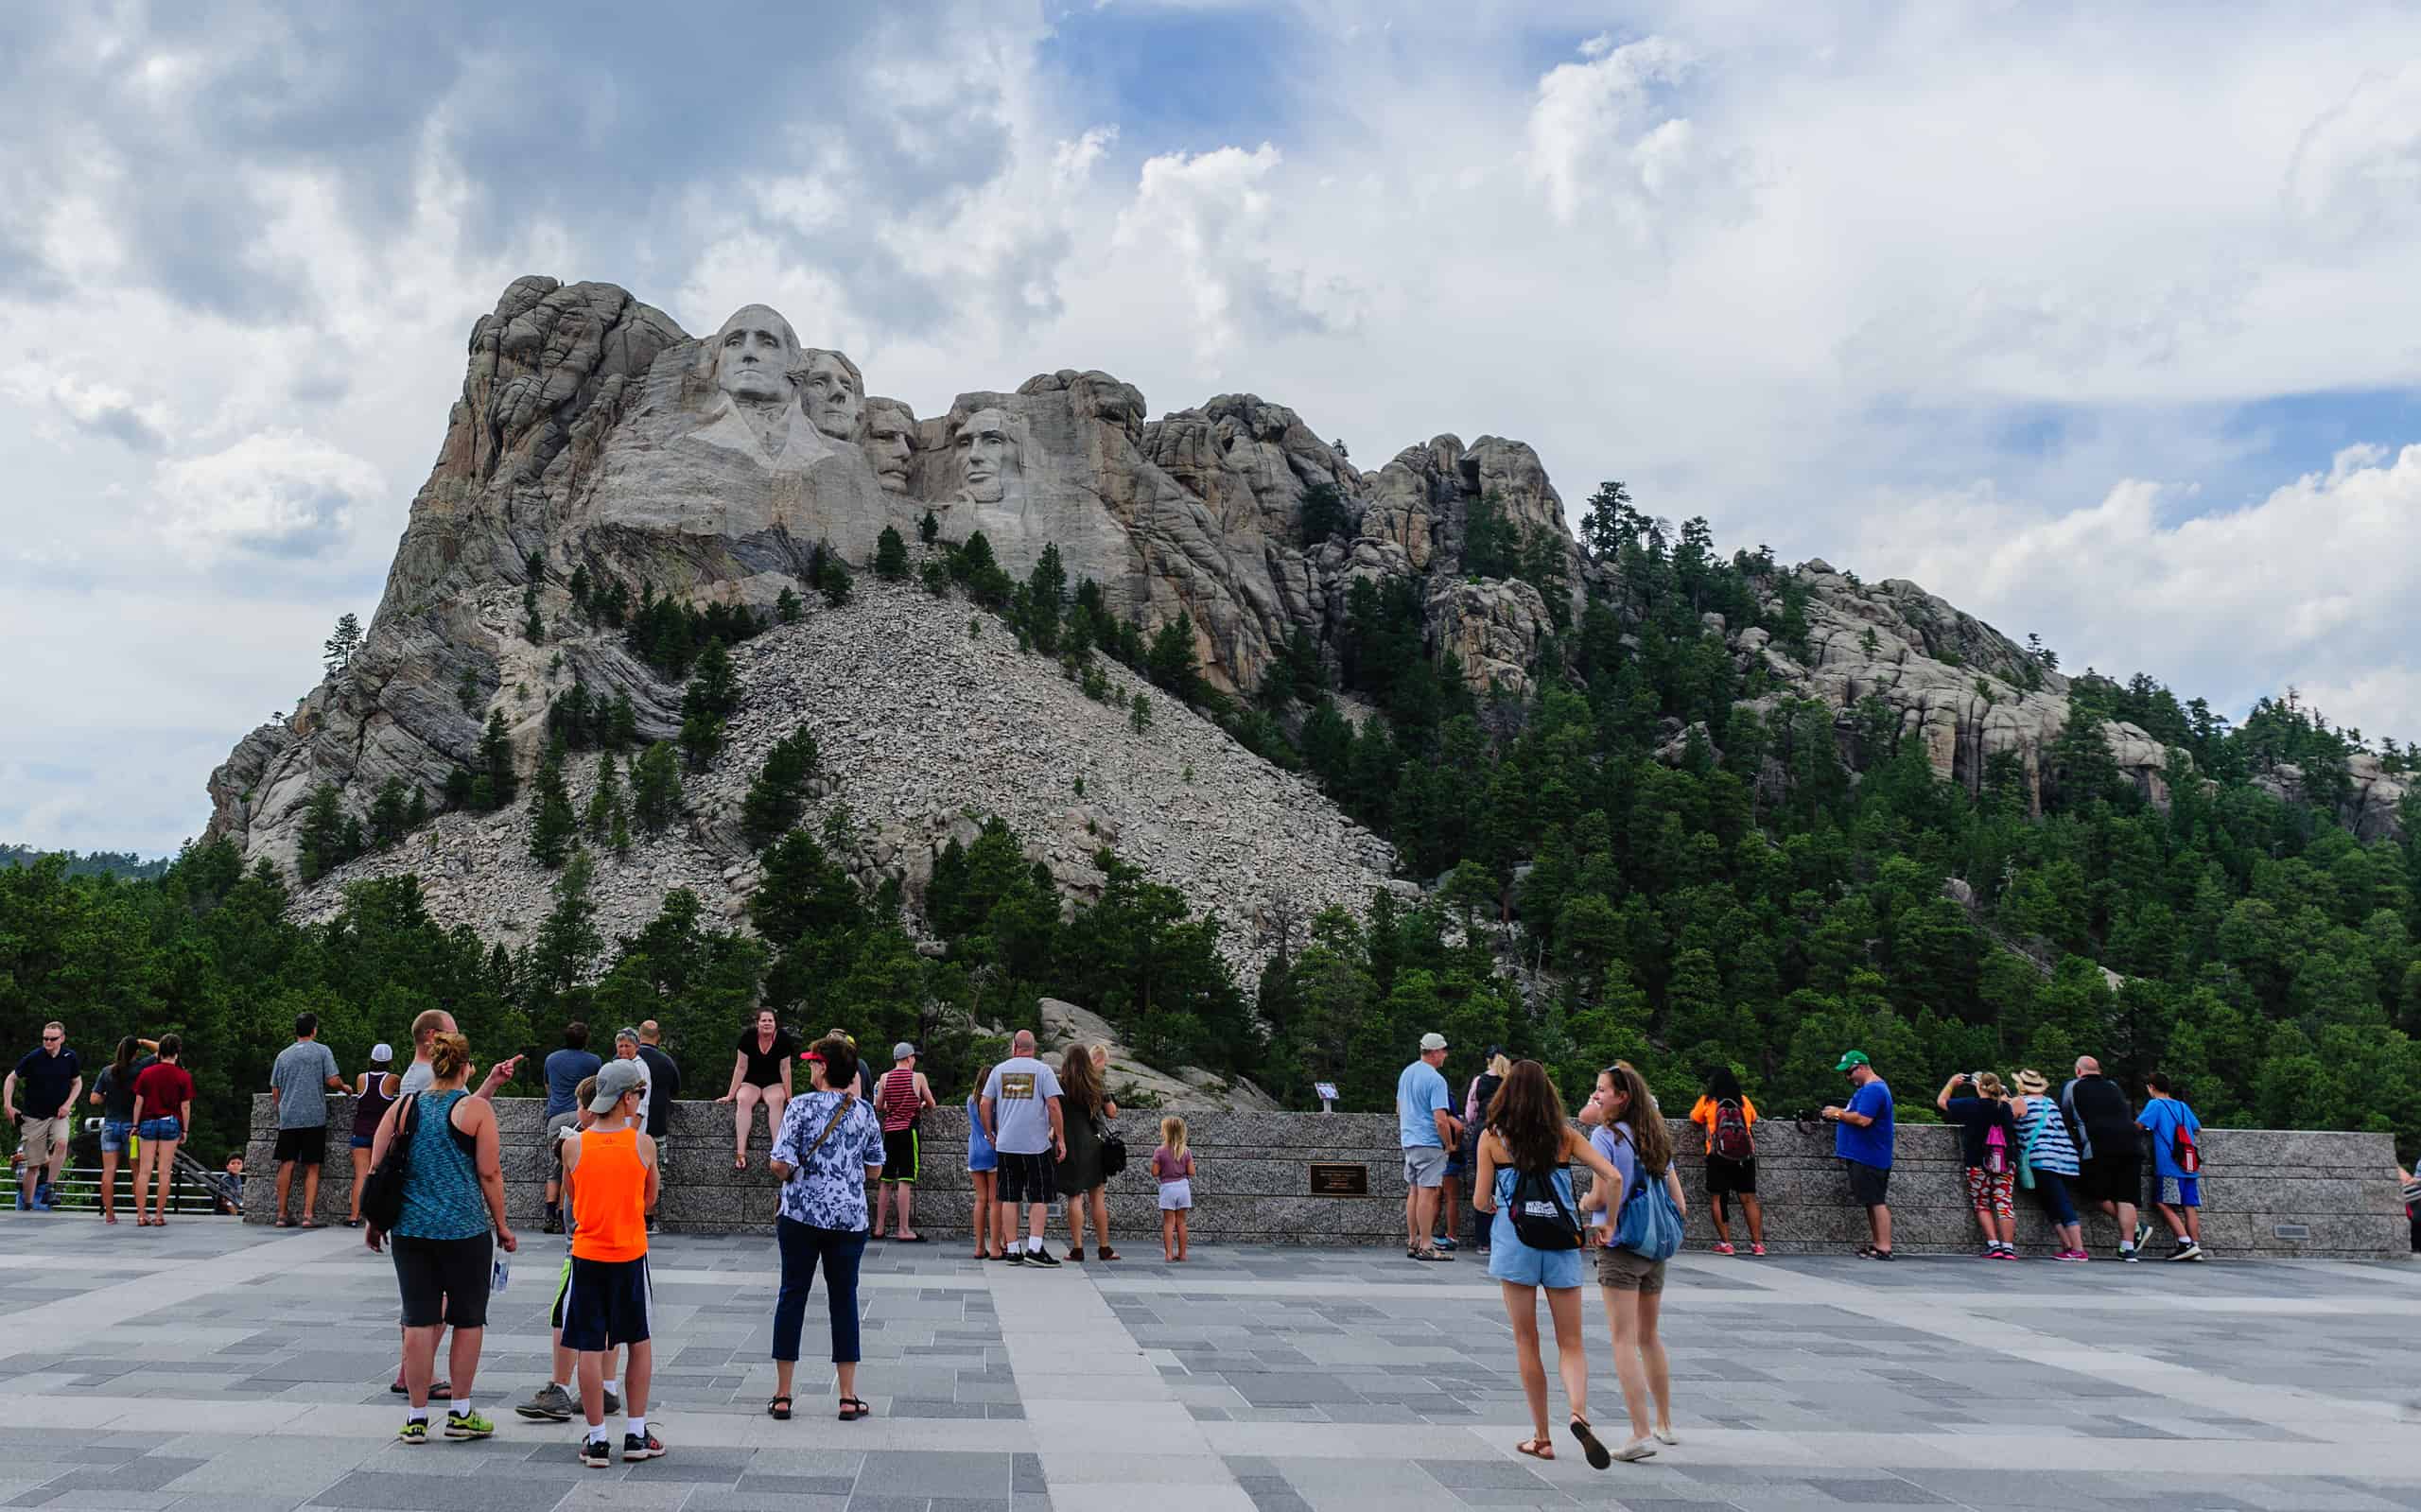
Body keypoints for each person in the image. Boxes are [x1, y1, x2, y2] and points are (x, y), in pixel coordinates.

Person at [368, 1031, 515, 1444]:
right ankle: (461, 1413)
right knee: (468, 1320)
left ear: (434, 1065)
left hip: (411, 1231)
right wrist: (502, 1226)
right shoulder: (476, 1111)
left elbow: (377, 1169)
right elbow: (489, 1173)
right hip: (465, 1230)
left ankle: (416, 1418)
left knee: (418, 1318)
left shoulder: (402, 1107)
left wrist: (374, 1222)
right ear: (467, 1068)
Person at [1473, 1059, 1623, 1469]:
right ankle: (1578, 1413)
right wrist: (1607, 1223)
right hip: (1559, 1242)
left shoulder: (1492, 1139)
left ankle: (1542, 1437)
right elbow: (1613, 1177)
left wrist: (1493, 1201)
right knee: (1571, 1342)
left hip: (1515, 1243)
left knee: (1527, 1340)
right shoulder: (1566, 1136)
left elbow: (1479, 1201)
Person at [768, 1035, 885, 1423]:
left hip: (800, 1216)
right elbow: (875, 1169)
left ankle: (783, 1394)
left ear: (821, 1067)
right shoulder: (865, 1111)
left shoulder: (800, 1106)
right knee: (844, 1300)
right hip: (848, 1220)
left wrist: (798, 1172)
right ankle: (848, 1397)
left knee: (792, 1296)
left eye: (812, 1063)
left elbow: (780, 1163)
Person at [560, 1059, 664, 1465]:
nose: (639, 1100)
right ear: (626, 1098)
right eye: (637, 1094)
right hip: (630, 1254)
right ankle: (636, 1434)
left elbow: (572, 1197)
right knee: (638, 1342)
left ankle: (597, 1437)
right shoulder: (643, 1143)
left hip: (588, 1255)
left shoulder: (574, 1145)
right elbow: (650, 1199)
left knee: (590, 1345)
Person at [1583, 1061, 1685, 1463]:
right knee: (1649, 1337)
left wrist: (1584, 1204)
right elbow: (1680, 1203)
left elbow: (1603, 1194)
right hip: (1655, 1246)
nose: (1596, 1095)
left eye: (1602, 1089)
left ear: (1621, 1097)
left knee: (1622, 1340)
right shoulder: (1654, 1135)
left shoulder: (1605, 1136)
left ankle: (1639, 1432)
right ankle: (1664, 1423)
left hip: (1621, 1244)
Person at [514, 1074, 626, 1427]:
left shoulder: (581, 1144)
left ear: (594, 1107)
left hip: (583, 1247)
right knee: (611, 1319)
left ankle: (560, 1387)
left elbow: (575, 1196)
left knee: (565, 1315)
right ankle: (607, 1388)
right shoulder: (632, 1142)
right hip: (620, 1247)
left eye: (580, 1105)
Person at [979, 1029, 1066, 1266]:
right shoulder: (1043, 1070)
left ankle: (1014, 1249)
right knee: (1039, 1196)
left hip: (1006, 1144)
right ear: (1033, 1048)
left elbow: (985, 1103)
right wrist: (1060, 1139)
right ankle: (1035, 1248)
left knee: (1009, 1196)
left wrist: (990, 1134)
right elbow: (1054, 1106)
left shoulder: (999, 1070)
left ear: (1014, 1047)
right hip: (1036, 1145)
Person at [2062, 1055, 2146, 1260]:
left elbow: (2065, 1117)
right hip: (2132, 1145)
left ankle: (2137, 1228)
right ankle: (2127, 1248)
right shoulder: (2114, 1086)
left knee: (2093, 1191)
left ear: (2078, 1071)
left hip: (2099, 1145)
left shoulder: (2073, 1087)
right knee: (2126, 1197)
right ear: (2099, 1070)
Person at [269, 1012, 345, 1228]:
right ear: (314, 1030)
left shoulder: (283, 1055)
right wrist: (344, 1087)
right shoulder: (322, 1051)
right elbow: (332, 1080)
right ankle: (308, 1215)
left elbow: (275, 1089)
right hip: (314, 1116)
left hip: (289, 1117)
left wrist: (282, 1109)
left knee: (287, 1164)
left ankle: (282, 1215)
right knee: (312, 1166)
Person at [1820, 1050, 1894, 1260]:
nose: (1848, 1077)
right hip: (1864, 1154)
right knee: (1870, 1200)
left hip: (1869, 1154)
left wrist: (1837, 1113)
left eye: (1849, 1072)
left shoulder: (1874, 1090)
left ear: (1861, 1067)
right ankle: (1878, 1243)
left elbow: (1864, 1119)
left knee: (1877, 1200)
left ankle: (1884, 1247)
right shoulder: (1870, 1089)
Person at [1937, 1072, 2018, 1259]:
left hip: (1977, 1161)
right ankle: (2008, 1248)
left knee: (1982, 1204)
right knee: (2004, 1203)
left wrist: (1951, 1083)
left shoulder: (1971, 1105)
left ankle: (1994, 1245)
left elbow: (1942, 1102)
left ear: (1978, 1086)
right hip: (2004, 1161)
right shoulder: (2005, 1107)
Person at [2011, 1070, 2088, 1260]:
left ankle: (2078, 1249)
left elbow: (2005, 1120)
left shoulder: (2020, 1102)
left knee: (2060, 1202)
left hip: (2043, 1158)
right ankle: (2068, 1246)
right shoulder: (2050, 1102)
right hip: (2066, 1158)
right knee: (2051, 1202)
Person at [1688, 1066, 1765, 1256]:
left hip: (1718, 1155)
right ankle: (1757, 1244)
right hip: (1744, 1156)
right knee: (1748, 1199)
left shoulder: (1708, 1101)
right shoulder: (1744, 1101)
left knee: (1719, 1198)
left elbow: (1694, 1118)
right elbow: (1754, 1119)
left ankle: (1726, 1244)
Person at [7, 1020, 82, 1211]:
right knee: (33, 1165)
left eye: (52, 1039)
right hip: (34, 1116)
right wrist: (8, 1104)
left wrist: (68, 1104)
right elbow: (11, 1078)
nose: (48, 1042)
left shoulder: (69, 1057)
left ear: (62, 1039)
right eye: (45, 1039)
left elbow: (77, 1083)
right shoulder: (34, 1057)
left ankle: (50, 1186)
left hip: (58, 1113)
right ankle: (29, 1205)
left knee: (62, 1142)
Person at [1054, 1043, 1120, 1261]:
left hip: (1070, 1144)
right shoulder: (1096, 1082)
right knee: (1097, 1197)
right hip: (1094, 1144)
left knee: (1074, 1196)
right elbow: (1112, 1113)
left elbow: (1051, 1110)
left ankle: (1078, 1249)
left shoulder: (1060, 1083)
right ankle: (1104, 1248)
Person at [1398, 1031, 1456, 1262]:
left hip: (1409, 1140)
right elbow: (1441, 1119)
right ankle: (1427, 1245)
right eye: (1443, 1051)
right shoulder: (1435, 1079)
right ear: (1434, 1052)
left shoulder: (1407, 1073)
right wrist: (1449, 1144)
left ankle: (1413, 1241)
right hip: (1428, 1141)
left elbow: (1399, 1107)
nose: (1445, 1055)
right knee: (1427, 1192)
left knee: (1413, 1190)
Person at [87, 1035, 158, 1225]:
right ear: (135, 1052)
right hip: (132, 1128)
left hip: (110, 1125)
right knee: (137, 1172)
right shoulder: (140, 1068)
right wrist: (143, 1041)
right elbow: (163, 1049)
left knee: (109, 1171)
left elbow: (94, 1098)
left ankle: (109, 1215)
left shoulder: (107, 1071)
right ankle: (141, 1214)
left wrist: (108, 1098)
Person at [2137, 1073, 2207, 1261]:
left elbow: (2139, 1125)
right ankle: (2196, 1246)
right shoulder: (2183, 1106)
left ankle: (2185, 1243)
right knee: (2189, 1206)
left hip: (2169, 1165)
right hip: (2189, 1164)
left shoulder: (2155, 1105)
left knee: (2163, 1202)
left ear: (2151, 1087)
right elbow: (2197, 1128)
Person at [871, 1043, 935, 1242]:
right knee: (905, 1179)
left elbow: (879, 1105)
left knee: (886, 1180)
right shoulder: (917, 1077)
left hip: (889, 1132)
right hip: (908, 1131)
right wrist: (921, 1104)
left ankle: (879, 1228)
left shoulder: (884, 1077)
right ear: (909, 1058)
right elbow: (931, 1103)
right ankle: (903, 1229)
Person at [542, 1023, 602, 1231]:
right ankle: (563, 1215)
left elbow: (548, 1086)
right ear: (586, 1040)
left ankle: (549, 1215)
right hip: (583, 1114)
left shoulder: (552, 1059)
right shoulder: (594, 1061)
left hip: (556, 1115)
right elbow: (597, 1088)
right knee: (572, 1168)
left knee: (554, 1167)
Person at [129, 1035, 193, 1227]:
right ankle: (159, 1215)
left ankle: (141, 1215)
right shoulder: (183, 1076)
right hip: (170, 1122)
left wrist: (135, 1125)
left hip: (147, 1122)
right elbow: (186, 1106)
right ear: (177, 1052)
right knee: (164, 1172)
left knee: (144, 1171)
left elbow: (138, 1102)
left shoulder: (146, 1073)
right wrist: (185, 1129)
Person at [721, 1010, 797, 1171]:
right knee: (743, 1100)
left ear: (775, 1024)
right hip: (751, 1081)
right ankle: (740, 1153)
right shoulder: (748, 1037)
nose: (767, 1023)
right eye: (764, 1020)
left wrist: (789, 1097)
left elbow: (785, 1069)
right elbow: (741, 1067)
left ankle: (777, 1154)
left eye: (770, 1020)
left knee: (777, 1101)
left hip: (774, 1082)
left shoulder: (783, 1039)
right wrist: (730, 1095)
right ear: (757, 1023)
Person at [1463, 1051, 1511, 1253]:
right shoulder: (1511, 1080)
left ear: (1487, 1060)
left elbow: (1470, 1112)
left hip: (1484, 1133)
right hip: (1508, 1135)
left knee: (1484, 1187)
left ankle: (1484, 1241)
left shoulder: (1479, 1081)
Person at [635, 1021, 681, 1230]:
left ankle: (631, 1214)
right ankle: (648, 1218)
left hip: (630, 1126)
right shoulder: (666, 1061)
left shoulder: (626, 1060)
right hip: (657, 1126)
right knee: (653, 1173)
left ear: (639, 1035)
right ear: (658, 1037)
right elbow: (676, 1089)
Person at [346, 1044, 396, 1227]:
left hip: (360, 1131)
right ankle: (377, 1217)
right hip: (381, 1134)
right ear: (389, 1061)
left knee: (361, 1175)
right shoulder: (392, 1080)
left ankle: (353, 1217)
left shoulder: (361, 1078)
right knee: (381, 1176)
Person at [967, 1083, 1001, 1260]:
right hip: (992, 1148)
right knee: (994, 1200)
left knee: (980, 1199)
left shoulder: (970, 1100)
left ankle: (979, 1247)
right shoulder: (995, 1102)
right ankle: (995, 1247)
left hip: (975, 1150)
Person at [1155, 1115, 1195, 1261]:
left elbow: (1154, 1172)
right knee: (1182, 1222)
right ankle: (1183, 1254)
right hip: (1183, 1188)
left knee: (1168, 1222)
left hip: (1167, 1188)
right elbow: (1191, 1172)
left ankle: (1169, 1254)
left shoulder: (1160, 1151)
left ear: (1165, 1131)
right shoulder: (1186, 1151)